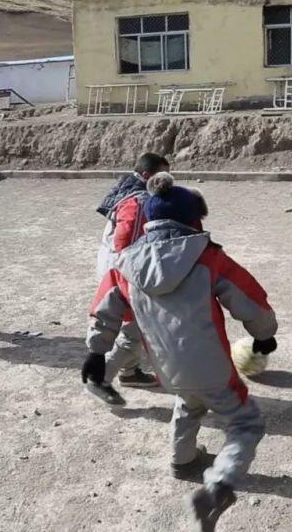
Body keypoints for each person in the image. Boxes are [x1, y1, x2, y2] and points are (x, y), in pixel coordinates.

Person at [83, 173, 278, 531]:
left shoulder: (124, 264)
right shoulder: (209, 257)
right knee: (245, 424)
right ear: (194, 221)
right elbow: (250, 301)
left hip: (166, 366)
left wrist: (96, 352)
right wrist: (265, 337)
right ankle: (217, 488)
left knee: (188, 400)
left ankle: (182, 459)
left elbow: (103, 310)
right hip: (213, 367)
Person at [85, 153, 172, 404]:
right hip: (125, 276)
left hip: (116, 271)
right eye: (161, 175)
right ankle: (98, 379)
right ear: (146, 176)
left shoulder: (128, 191)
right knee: (136, 331)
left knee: (137, 328)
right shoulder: (137, 202)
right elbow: (126, 248)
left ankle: (130, 371)